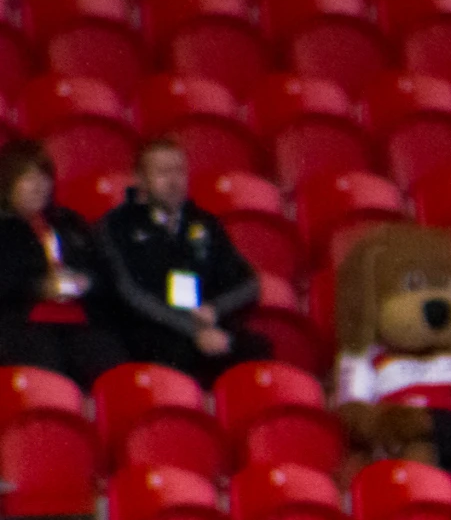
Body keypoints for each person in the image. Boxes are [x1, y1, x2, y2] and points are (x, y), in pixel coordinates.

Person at [98, 138, 269, 387]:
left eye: (179, 171)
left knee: (255, 347)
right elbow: (130, 293)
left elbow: (249, 283)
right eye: (163, 172)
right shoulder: (118, 226)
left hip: (206, 323)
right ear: (141, 179)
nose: (174, 181)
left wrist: (215, 309)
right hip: (152, 329)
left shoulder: (204, 223)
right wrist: (193, 330)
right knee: (171, 354)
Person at [0, 139, 128, 389]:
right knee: (47, 368)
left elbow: (105, 272)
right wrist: (39, 287)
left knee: (112, 365)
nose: (39, 186)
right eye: (28, 178)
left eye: (43, 177)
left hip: (78, 318)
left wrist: (87, 281)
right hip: (25, 323)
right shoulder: (4, 230)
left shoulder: (69, 223)